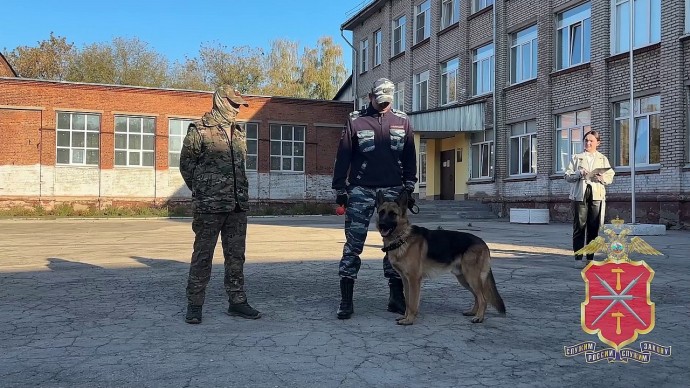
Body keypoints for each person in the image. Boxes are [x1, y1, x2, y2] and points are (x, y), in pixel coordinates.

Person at [332, 78, 418, 319]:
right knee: (353, 244)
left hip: (393, 189)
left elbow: (410, 154)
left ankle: (395, 297)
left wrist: (409, 185)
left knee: (396, 245)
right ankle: (346, 300)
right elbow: (344, 155)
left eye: (387, 102)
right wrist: (340, 187)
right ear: (370, 97)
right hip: (360, 189)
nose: (384, 106)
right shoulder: (355, 120)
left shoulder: (402, 120)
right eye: (380, 102)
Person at [179, 85, 261, 324]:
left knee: (236, 256)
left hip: (237, 205)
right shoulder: (200, 130)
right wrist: (205, 190)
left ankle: (237, 301)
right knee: (203, 256)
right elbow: (186, 166)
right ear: (220, 101)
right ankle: (194, 304)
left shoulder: (238, 132)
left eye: (239, 105)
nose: (237, 109)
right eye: (233, 104)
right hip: (209, 206)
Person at [564, 130, 615, 269]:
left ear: (598, 143)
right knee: (579, 227)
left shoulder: (602, 158)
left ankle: (590, 258)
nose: (588, 143)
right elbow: (567, 176)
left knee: (594, 227)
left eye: (591, 141)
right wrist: (578, 173)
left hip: (596, 195)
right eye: (586, 140)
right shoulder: (577, 157)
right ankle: (578, 258)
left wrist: (602, 178)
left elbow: (610, 175)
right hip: (580, 195)